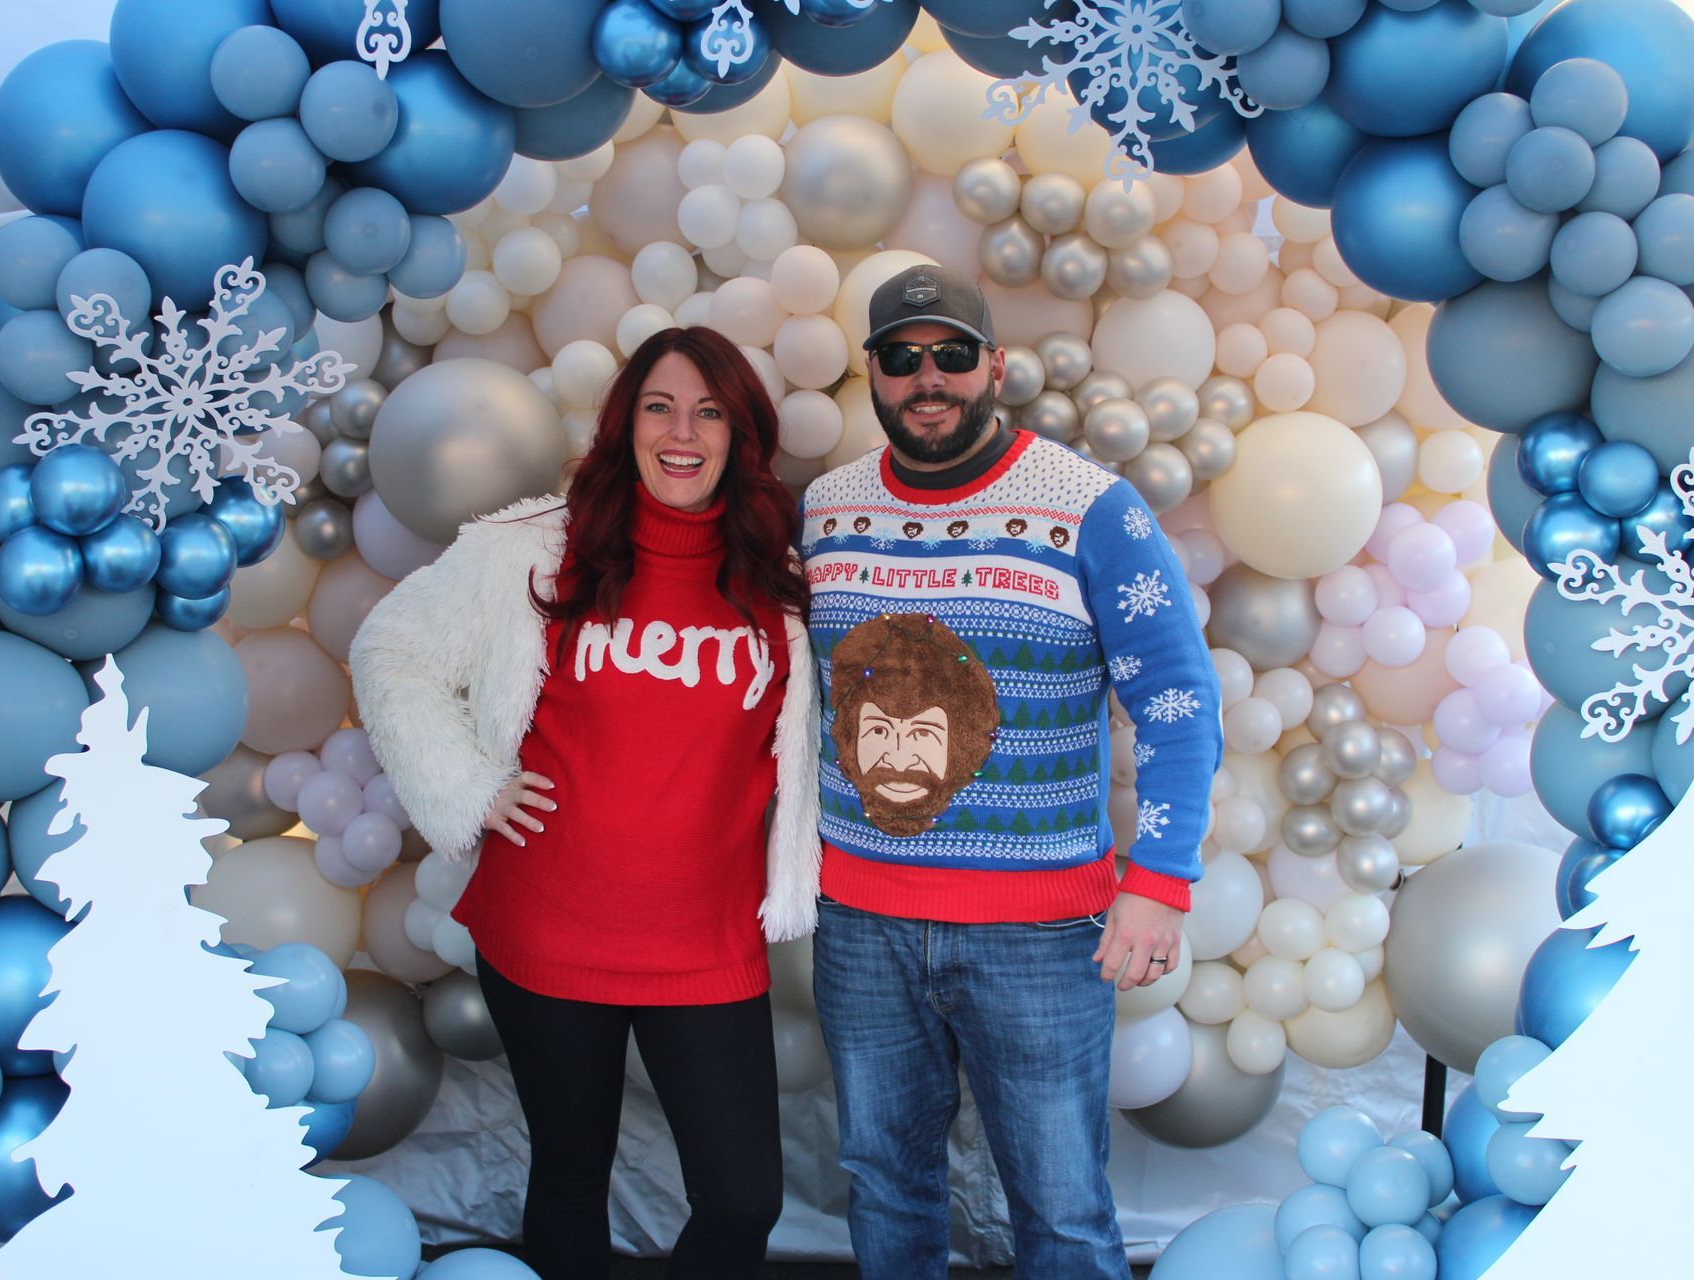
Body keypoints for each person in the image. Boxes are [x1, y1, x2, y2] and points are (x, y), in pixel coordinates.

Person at [349, 326, 822, 1280]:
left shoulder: (782, 578)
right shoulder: (533, 551)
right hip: (548, 930)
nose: (682, 432)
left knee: (741, 1196)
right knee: (570, 1172)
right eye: (659, 407)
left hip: (706, 941)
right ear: (625, 424)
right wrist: (467, 790)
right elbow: (389, 649)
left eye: (710, 412)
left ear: (741, 435)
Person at [799, 265, 1223, 1279]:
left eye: (951, 353)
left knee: (1063, 1206)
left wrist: (1161, 880)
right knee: (883, 1185)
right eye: (902, 359)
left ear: (994, 363)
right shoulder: (824, 509)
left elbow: (1175, 696)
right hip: (862, 925)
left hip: (1037, 934)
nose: (927, 378)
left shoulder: (1091, 507)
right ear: (872, 373)